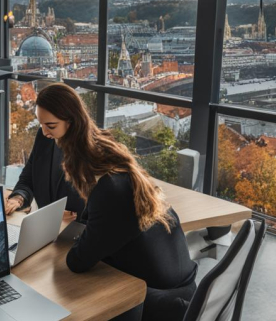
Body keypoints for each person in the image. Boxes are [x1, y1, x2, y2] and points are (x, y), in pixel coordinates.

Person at [35, 84, 197, 321]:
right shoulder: (109, 156)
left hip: (163, 303)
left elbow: (78, 261)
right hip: (175, 279)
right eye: (41, 124)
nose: (45, 133)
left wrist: (80, 238)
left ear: (72, 123)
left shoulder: (110, 191)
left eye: (51, 126)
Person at [4, 130, 85, 217]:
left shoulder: (89, 144)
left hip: (79, 226)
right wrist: (18, 198)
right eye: (42, 124)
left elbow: (95, 202)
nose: (45, 131)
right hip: (46, 223)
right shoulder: (44, 137)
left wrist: (77, 215)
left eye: (51, 125)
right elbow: (27, 180)